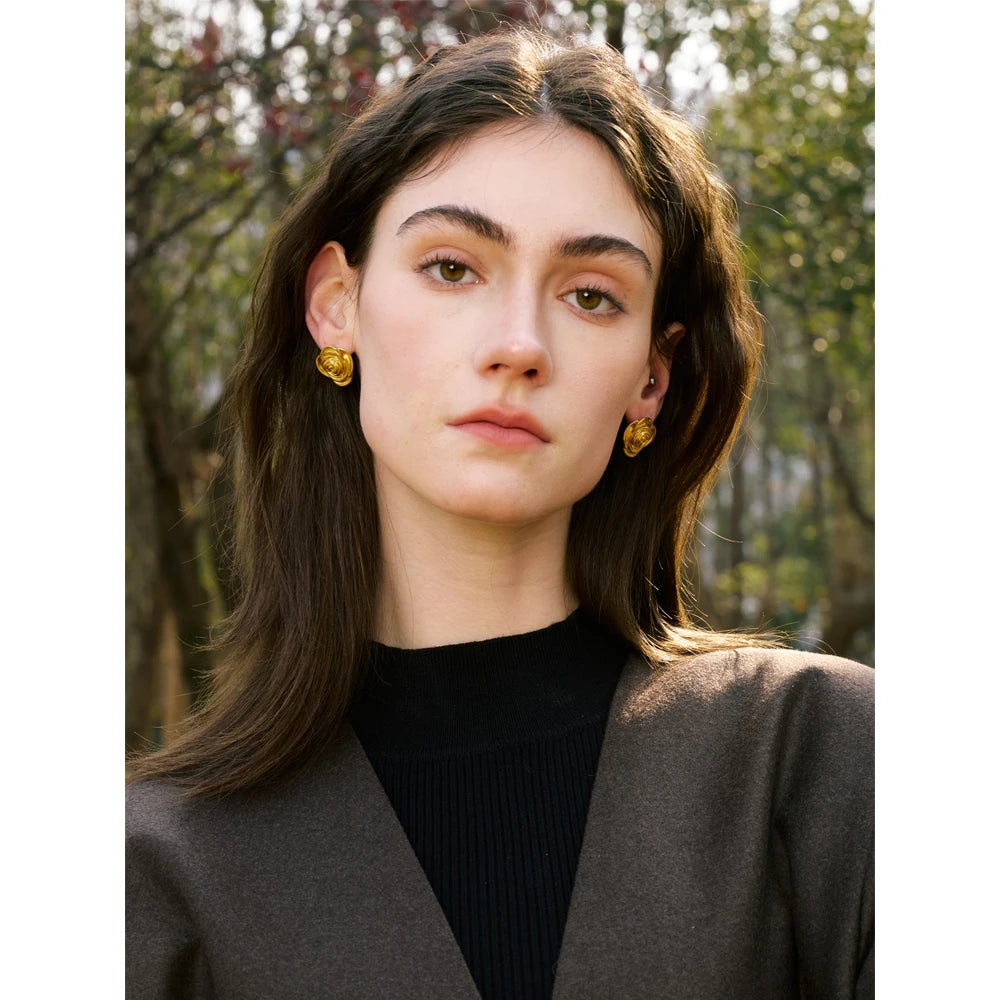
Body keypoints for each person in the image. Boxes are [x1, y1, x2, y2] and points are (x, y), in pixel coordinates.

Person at [126, 27, 873, 1000]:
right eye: (452, 267)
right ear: (336, 306)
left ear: (651, 377)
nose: (518, 344)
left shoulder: (823, 763)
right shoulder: (144, 870)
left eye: (592, 295)